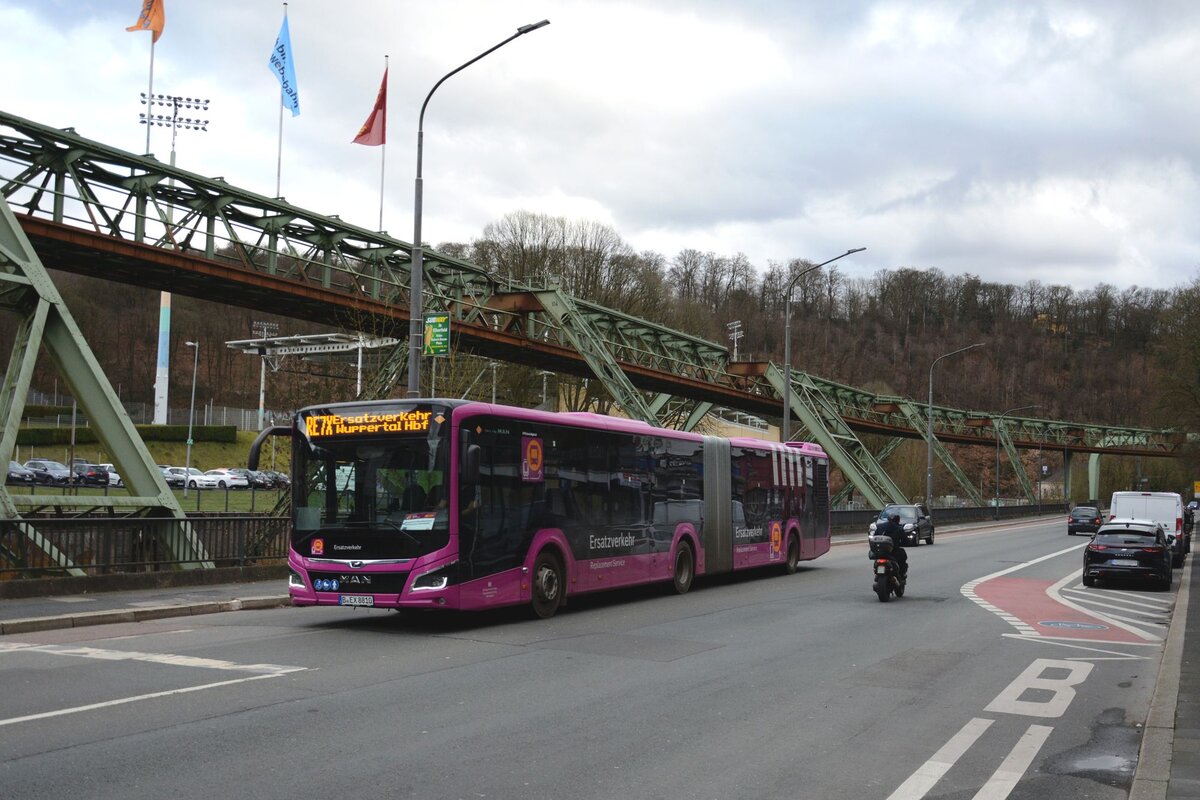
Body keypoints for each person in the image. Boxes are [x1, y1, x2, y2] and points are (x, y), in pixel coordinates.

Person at [874, 512, 908, 579]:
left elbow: (875, 537)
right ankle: (901, 574)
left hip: (880, 552)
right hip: (893, 552)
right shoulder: (899, 529)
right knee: (903, 556)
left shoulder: (880, 526)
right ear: (898, 520)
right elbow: (905, 541)